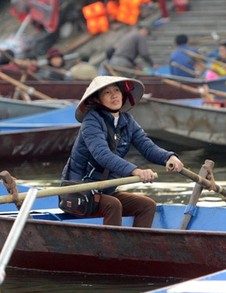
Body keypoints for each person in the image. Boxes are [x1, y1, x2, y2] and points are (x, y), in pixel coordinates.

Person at [60, 76, 184, 227]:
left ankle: (137, 247)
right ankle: (112, 249)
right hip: (79, 192)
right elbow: (102, 155)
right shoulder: (91, 121)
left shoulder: (127, 121)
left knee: (147, 205)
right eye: (107, 92)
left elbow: (147, 147)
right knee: (113, 205)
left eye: (117, 90)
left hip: (105, 192)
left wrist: (169, 157)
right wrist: (135, 171)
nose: (114, 95)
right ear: (97, 99)